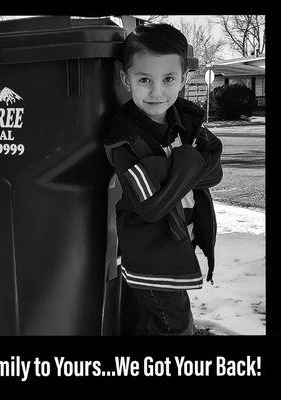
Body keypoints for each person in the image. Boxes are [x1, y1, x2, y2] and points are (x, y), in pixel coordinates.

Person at [103, 23, 223, 335]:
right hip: (149, 254)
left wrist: (172, 168)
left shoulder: (184, 120)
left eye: (168, 79)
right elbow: (151, 205)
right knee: (175, 326)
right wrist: (189, 160)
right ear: (125, 80)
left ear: (184, 78)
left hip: (176, 245)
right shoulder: (124, 139)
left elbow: (215, 170)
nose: (157, 92)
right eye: (144, 79)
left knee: (156, 323)